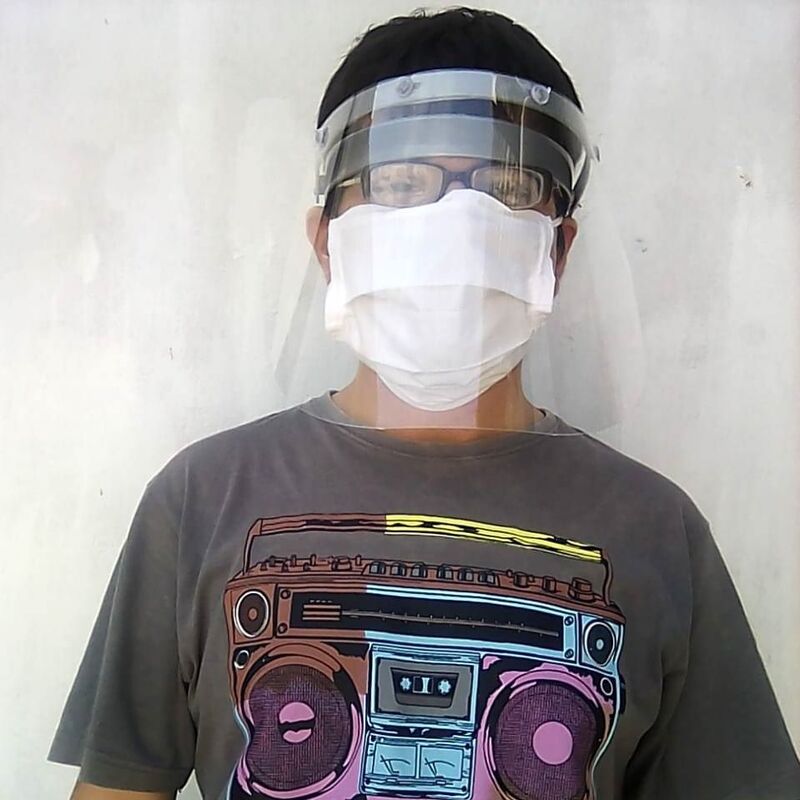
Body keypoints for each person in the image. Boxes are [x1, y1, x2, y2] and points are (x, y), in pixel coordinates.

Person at [48, 7, 800, 800]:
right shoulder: (200, 500)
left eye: (508, 189)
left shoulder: (658, 531)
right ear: (326, 240)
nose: (457, 223)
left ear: (558, 249)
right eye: (399, 183)